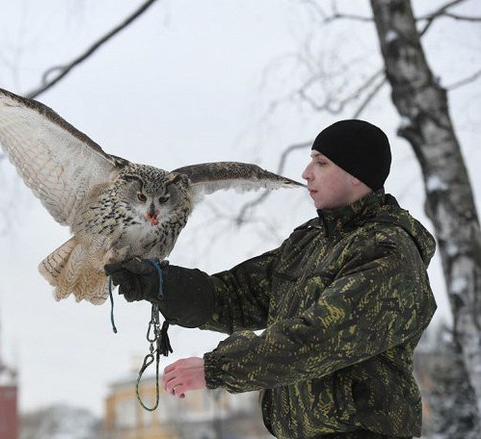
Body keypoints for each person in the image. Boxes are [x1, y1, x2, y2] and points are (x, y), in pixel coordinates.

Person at [106, 119, 437, 439]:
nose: (307, 174)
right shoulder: (311, 241)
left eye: (321, 163)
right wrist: (161, 283)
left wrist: (215, 369)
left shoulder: (387, 254)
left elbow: (316, 339)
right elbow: (236, 296)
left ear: (356, 174)